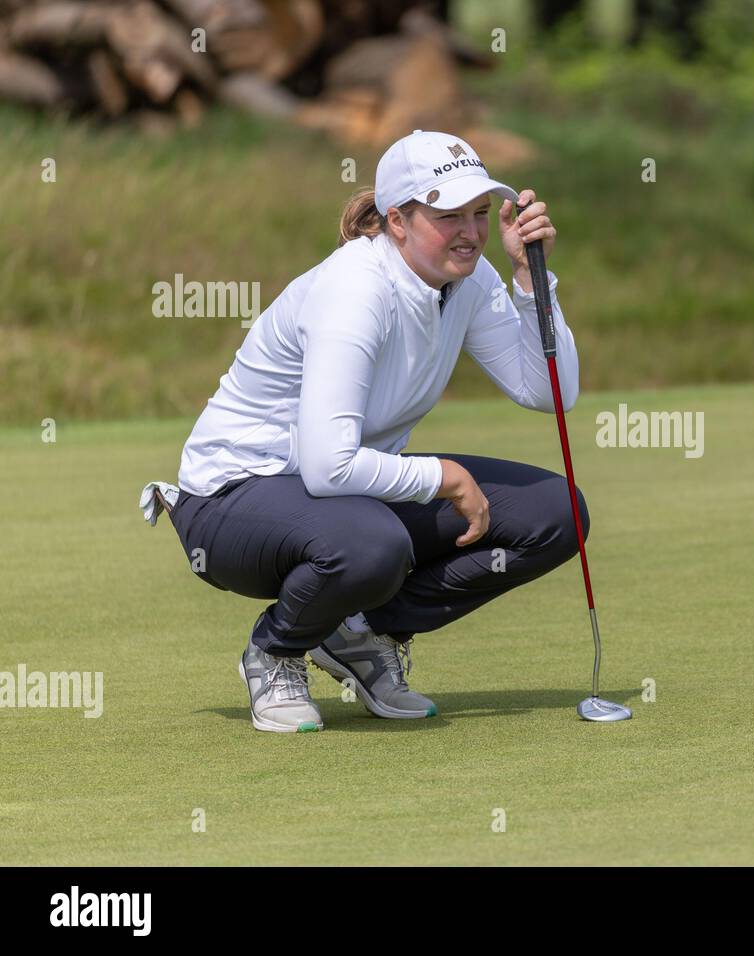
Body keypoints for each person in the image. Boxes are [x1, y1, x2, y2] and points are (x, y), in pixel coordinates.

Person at [138, 130, 589, 733]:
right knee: (372, 543)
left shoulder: (470, 279)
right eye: (447, 215)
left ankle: (357, 633)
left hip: (341, 495)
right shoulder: (354, 290)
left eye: (480, 213)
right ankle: (275, 651)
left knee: (557, 512)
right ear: (397, 221)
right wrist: (444, 477)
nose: (471, 232)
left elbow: (550, 392)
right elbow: (328, 466)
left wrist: (532, 280)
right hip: (231, 499)